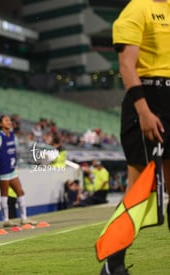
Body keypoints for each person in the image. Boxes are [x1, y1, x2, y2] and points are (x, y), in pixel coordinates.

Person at [101, 1, 170, 274]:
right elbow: (127, 65)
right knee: (139, 189)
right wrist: (143, 110)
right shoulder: (136, 9)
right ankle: (113, 264)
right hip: (148, 99)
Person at [0, 115, 36, 227]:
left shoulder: (12, 135)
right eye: (6, 120)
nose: (9, 122)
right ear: (0, 124)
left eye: (9, 120)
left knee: (20, 192)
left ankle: (24, 218)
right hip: (2, 170)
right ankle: (6, 220)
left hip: (11, 169)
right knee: (4, 195)